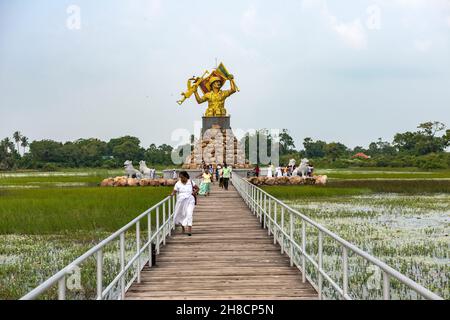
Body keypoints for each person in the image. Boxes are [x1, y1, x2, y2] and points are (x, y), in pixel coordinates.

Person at [170, 171, 198, 236]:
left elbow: (197, 188)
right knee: (182, 214)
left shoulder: (190, 182)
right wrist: (171, 194)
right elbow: (174, 191)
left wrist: (194, 192)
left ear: (186, 176)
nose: (181, 179)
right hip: (181, 201)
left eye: (182, 177)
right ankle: (183, 228)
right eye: (180, 177)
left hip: (190, 200)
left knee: (189, 213)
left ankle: (189, 230)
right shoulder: (178, 183)